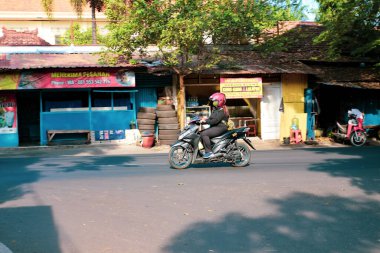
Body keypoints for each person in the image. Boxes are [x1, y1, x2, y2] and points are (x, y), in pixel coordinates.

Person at [200, 92, 229, 159]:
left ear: (220, 101)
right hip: (216, 126)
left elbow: (215, 121)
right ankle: (206, 149)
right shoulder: (216, 109)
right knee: (200, 133)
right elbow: (211, 119)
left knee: (204, 134)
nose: (213, 102)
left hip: (221, 127)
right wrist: (203, 119)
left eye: (215, 101)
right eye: (213, 101)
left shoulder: (222, 111)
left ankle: (209, 152)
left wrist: (206, 121)